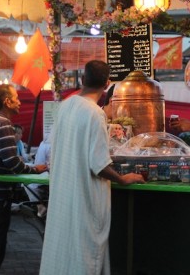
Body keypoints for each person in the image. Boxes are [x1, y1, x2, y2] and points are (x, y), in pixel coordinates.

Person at [40, 60, 145, 275]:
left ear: (82, 80)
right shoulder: (95, 114)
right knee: (84, 257)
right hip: (85, 199)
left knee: (63, 253)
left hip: (63, 196)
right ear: (107, 84)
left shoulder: (65, 106)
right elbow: (99, 165)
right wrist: (123, 179)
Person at [0, 84, 47, 274]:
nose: (20, 102)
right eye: (16, 98)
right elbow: (11, 162)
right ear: (7, 101)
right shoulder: (4, 124)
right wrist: (35, 169)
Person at [25, 131, 51, 218]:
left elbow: (39, 164)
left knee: (28, 183)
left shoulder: (45, 144)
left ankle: (40, 206)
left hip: (49, 177)